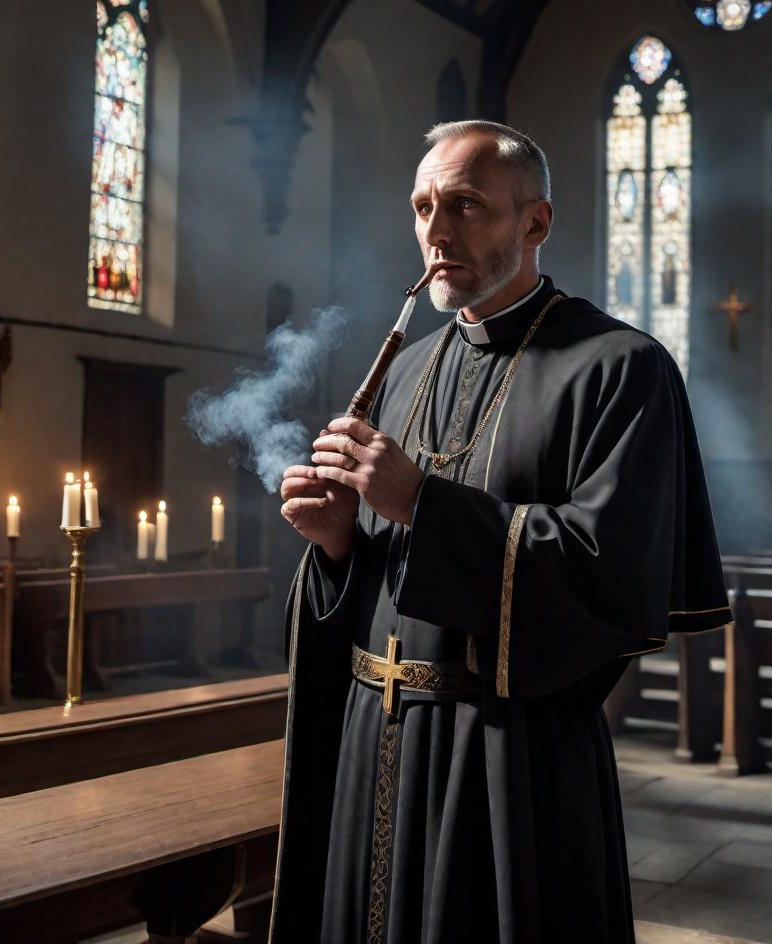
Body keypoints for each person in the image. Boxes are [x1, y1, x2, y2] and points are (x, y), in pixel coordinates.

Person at [270, 120, 730, 944]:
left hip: (507, 764)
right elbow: (383, 576)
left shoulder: (620, 368)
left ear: (535, 223)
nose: (435, 232)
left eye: (465, 204)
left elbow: (608, 573)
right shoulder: (406, 369)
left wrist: (421, 502)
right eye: (422, 207)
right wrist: (340, 544)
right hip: (377, 747)